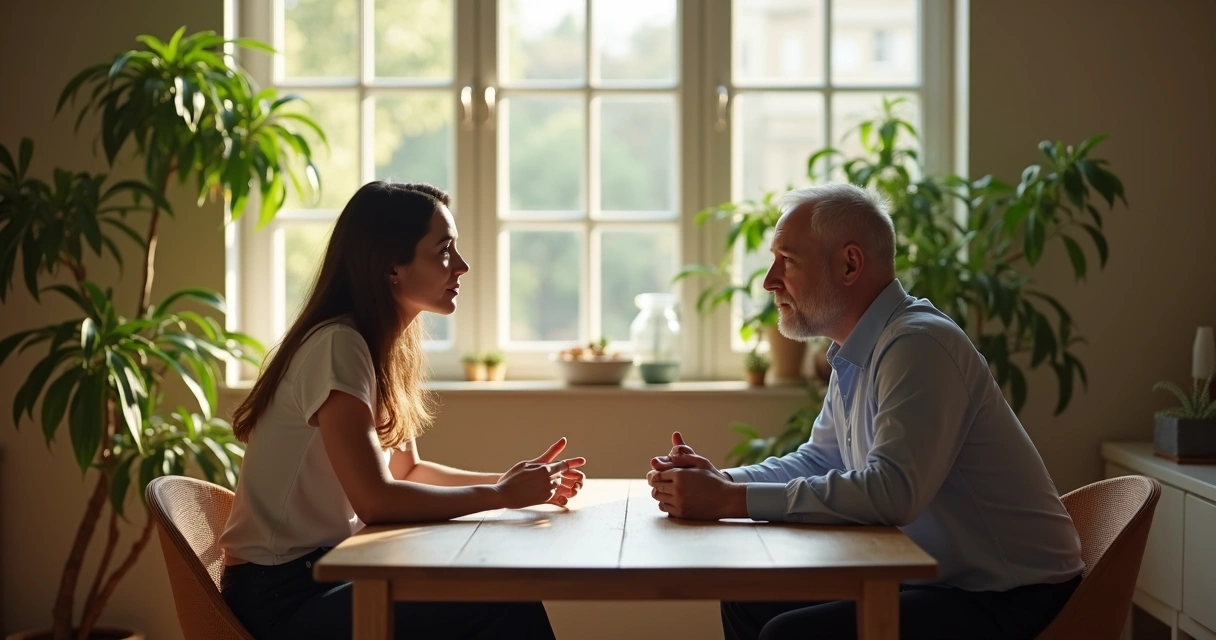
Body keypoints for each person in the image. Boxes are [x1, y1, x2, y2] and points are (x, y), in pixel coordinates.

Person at [646, 183, 1083, 640]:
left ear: (850, 264)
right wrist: (722, 481)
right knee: (747, 597)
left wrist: (731, 502)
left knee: (790, 635)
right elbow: (820, 459)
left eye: (787, 260)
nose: (769, 280)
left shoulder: (918, 345)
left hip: (1010, 597)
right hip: (942, 582)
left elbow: (893, 492)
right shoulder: (860, 350)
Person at [219, 181, 585, 640]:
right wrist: (501, 497)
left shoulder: (374, 347)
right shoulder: (338, 345)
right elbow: (376, 501)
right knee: (501, 596)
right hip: (283, 597)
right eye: (445, 251)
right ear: (392, 266)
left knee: (495, 586)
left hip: (330, 574)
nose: (463, 266)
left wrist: (507, 484)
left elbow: (406, 473)